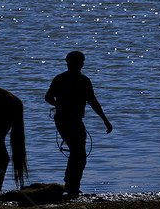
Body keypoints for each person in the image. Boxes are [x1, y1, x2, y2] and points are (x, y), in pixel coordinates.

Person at [45, 51, 113, 198]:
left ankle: (71, 184)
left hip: (69, 120)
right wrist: (105, 120)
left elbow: (48, 97)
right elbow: (93, 102)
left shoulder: (62, 79)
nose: (81, 64)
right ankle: (71, 185)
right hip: (68, 120)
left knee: (77, 152)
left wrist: (105, 120)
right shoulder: (82, 81)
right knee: (79, 152)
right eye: (80, 61)